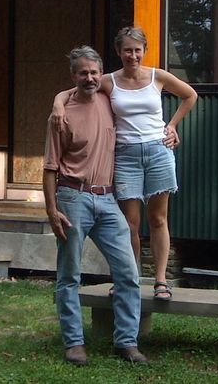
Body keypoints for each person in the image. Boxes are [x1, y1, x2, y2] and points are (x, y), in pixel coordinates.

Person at [52, 27, 197, 301]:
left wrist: (173, 125)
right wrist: (58, 105)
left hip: (158, 151)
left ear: (144, 50)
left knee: (158, 219)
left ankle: (161, 281)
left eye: (137, 50)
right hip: (126, 155)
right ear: (118, 52)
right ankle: (127, 279)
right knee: (129, 223)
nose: (133, 55)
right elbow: (66, 93)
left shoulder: (158, 76)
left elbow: (189, 95)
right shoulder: (108, 80)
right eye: (127, 50)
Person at [43, 46, 147, 365]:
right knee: (70, 274)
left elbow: (143, 93)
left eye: (93, 72)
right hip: (72, 198)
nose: (89, 77)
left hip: (108, 198)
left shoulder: (108, 98)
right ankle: (74, 343)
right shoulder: (61, 115)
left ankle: (126, 342)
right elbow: (50, 167)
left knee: (128, 271)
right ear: (73, 76)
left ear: (100, 73)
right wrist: (50, 210)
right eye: (82, 72)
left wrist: (169, 129)